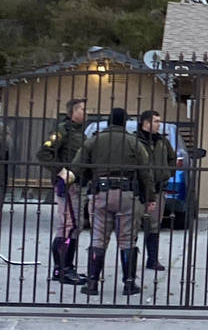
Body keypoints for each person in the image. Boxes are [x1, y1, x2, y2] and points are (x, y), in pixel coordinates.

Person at [70, 107, 155, 297]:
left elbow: (77, 166)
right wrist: (150, 197)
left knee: (98, 238)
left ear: (108, 122)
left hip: (100, 193)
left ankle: (92, 284)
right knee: (127, 239)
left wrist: (79, 182)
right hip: (126, 194)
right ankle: (129, 283)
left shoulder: (93, 140)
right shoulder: (134, 142)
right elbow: (145, 173)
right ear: (124, 122)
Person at [36, 97, 88, 286]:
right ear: (71, 112)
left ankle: (67, 266)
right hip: (66, 185)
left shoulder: (80, 133)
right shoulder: (62, 130)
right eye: (82, 109)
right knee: (69, 226)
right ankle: (62, 269)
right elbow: (43, 153)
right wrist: (61, 171)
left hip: (78, 184)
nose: (85, 113)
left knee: (72, 226)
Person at [134, 109, 175, 271]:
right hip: (138, 190)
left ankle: (152, 259)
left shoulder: (162, 142)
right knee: (134, 225)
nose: (159, 124)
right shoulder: (135, 140)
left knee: (153, 225)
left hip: (157, 188)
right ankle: (131, 259)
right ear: (146, 123)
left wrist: (167, 173)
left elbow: (172, 158)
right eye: (156, 121)